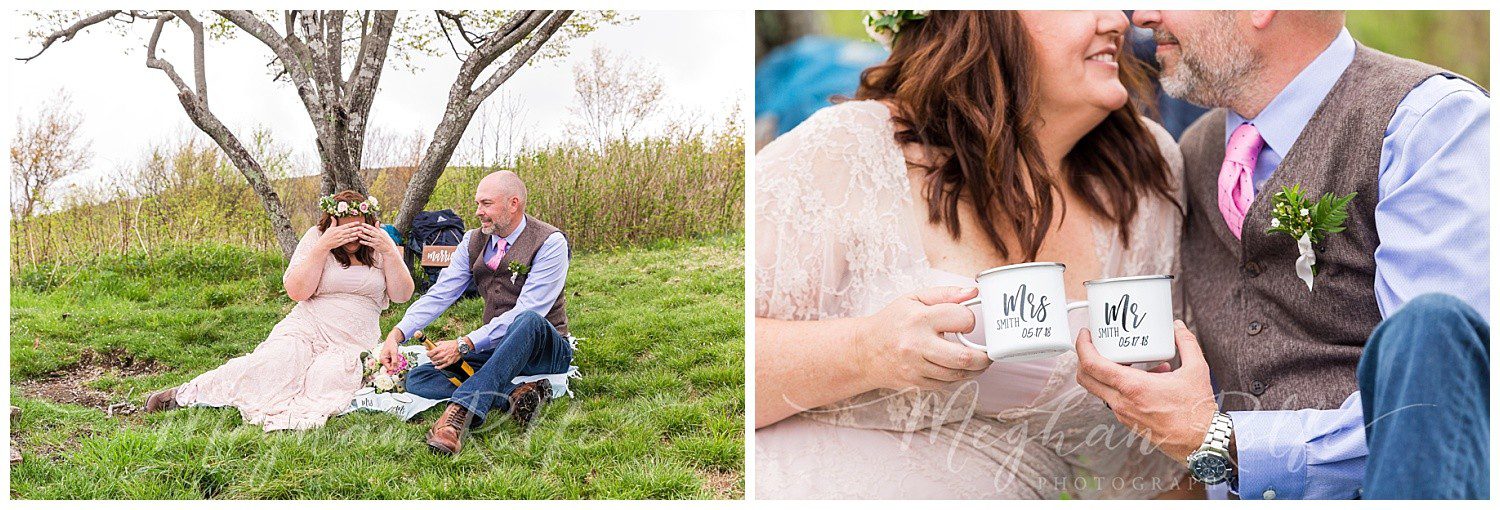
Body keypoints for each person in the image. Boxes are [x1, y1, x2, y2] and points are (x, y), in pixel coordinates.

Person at [755, 11, 1190, 499]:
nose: (1116, 19)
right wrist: (866, 351)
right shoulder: (848, 150)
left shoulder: (1145, 176)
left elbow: (1158, 466)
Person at [1075, 10, 1489, 499]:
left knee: (1430, 325)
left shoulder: (1431, 127)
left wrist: (1224, 443)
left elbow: (1444, 408)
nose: (1141, 15)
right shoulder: (1191, 154)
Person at [144, 190, 415, 431]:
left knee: (327, 377)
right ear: (331, 224)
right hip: (308, 325)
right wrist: (323, 246)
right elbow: (297, 292)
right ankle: (185, 394)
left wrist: (388, 251)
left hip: (350, 339)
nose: (351, 237)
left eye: (357, 230)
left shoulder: (381, 247)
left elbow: (402, 295)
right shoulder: (316, 239)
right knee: (275, 362)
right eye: (343, 230)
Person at [380, 170, 574, 456]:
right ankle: (516, 393)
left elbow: (530, 308)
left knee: (528, 320)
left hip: (544, 348)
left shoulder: (550, 242)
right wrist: (397, 334)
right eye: (477, 204)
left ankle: (458, 415)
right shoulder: (472, 241)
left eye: (486, 204)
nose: (478, 212)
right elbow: (440, 293)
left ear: (513, 203)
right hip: (497, 348)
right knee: (418, 378)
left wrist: (465, 344)